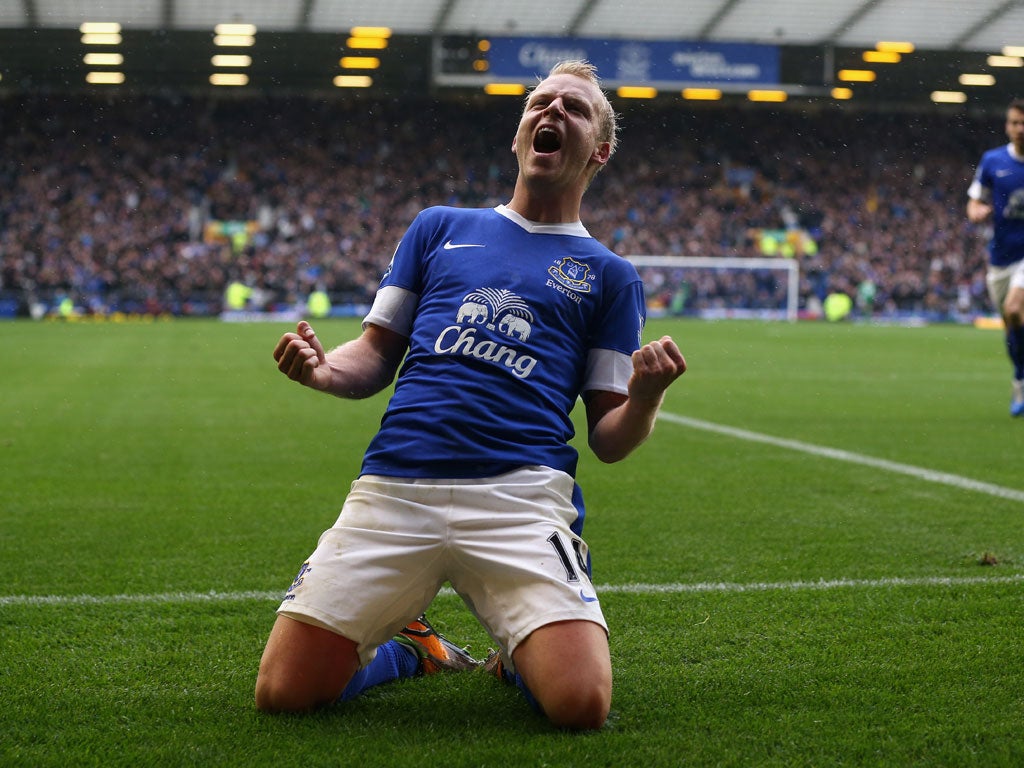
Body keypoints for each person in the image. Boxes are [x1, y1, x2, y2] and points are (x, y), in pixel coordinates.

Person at [254, 59, 687, 731]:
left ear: (599, 150)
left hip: (519, 500)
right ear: (518, 135)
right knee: (283, 692)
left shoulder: (610, 276)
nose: (551, 113)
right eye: (540, 103)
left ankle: (518, 658)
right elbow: (371, 355)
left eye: (573, 109)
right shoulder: (437, 228)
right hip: (395, 488)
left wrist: (648, 394)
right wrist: (321, 370)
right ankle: (411, 651)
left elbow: (609, 437)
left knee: (580, 705)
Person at [967, 98, 1024, 416]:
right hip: (1001, 257)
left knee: (1016, 309)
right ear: (1007, 125)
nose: (1020, 129)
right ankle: (1020, 378)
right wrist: (977, 212)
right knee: (1011, 327)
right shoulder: (992, 161)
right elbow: (975, 200)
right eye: (1015, 122)